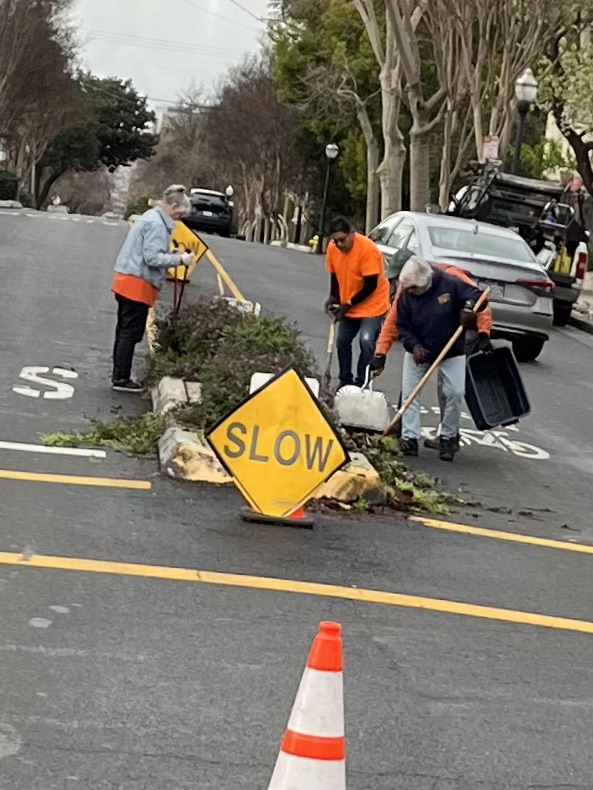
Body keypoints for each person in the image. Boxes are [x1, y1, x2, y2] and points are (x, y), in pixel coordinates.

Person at [371, 259, 493, 450]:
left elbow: (479, 297)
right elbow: (400, 325)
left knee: (455, 393)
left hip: (451, 350)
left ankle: (448, 437)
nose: (408, 292)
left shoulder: (450, 282)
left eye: (413, 289)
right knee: (410, 393)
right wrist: (412, 346)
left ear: (425, 283)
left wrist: (470, 310)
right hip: (419, 349)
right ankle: (409, 438)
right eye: (407, 288)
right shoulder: (405, 293)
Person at [111, 184, 193, 393]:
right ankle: (121, 377)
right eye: (180, 213)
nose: (179, 218)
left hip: (126, 278)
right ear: (173, 205)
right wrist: (179, 259)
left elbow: (150, 250)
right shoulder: (157, 225)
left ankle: (120, 372)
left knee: (124, 329)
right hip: (138, 283)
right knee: (131, 332)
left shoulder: (151, 217)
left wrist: (170, 252)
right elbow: (152, 257)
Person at [324, 216, 390, 389]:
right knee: (342, 341)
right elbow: (334, 274)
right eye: (335, 240)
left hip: (373, 304)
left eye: (342, 240)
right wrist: (334, 297)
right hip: (350, 303)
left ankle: (362, 382)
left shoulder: (368, 250)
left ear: (352, 234)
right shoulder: (333, 248)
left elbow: (371, 285)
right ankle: (345, 380)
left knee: (366, 341)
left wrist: (348, 304)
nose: (339, 244)